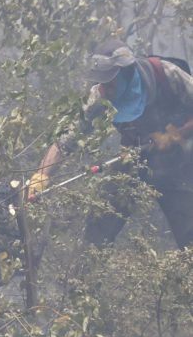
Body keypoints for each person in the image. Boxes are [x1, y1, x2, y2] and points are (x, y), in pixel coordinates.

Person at [27, 40, 193, 248]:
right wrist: (42, 175)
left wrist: (178, 133)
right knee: (98, 226)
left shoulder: (166, 74)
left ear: (127, 73)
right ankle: (81, 277)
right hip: (133, 157)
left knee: (189, 235)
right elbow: (65, 141)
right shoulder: (100, 96)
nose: (105, 88)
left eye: (110, 82)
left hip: (179, 164)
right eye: (102, 82)